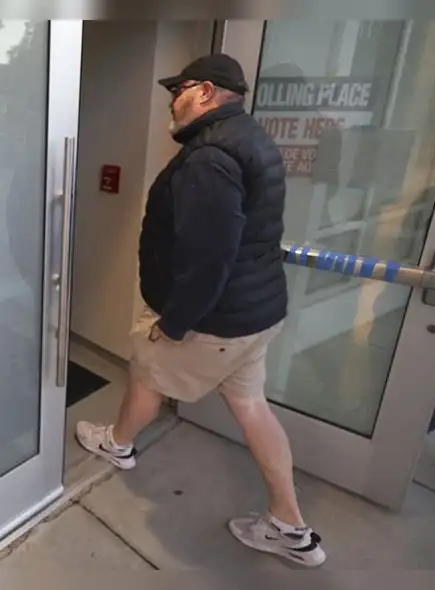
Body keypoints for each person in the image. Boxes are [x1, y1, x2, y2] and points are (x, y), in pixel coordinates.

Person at [75, 54, 327, 567]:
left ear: (207, 92)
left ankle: (117, 444)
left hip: (216, 321)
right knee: (251, 406)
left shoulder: (209, 158)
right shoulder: (251, 139)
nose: (172, 101)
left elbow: (209, 256)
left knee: (147, 374)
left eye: (179, 91)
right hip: (255, 314)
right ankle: (290, 526)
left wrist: (174, 323)